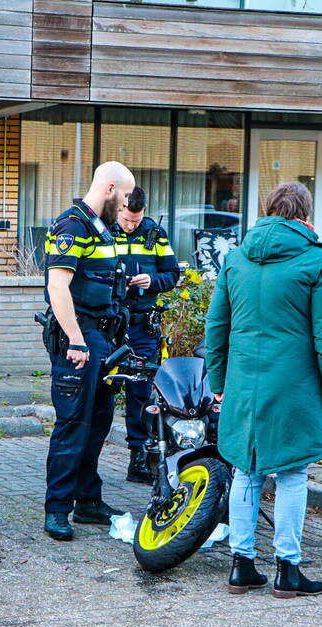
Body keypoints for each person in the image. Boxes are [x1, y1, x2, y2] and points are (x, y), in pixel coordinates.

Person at [205, 182, 322, 598]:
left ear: (269, 211)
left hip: (244, 384)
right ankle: (288, 568)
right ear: (306, 214)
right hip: (295, 385)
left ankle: (241, 565)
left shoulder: (236, 259)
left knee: (245, 470)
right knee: (291, 474)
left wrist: (219, 384)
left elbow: (217, 327)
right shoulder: (315, 261)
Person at [42, 161, 135, 541]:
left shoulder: (102, 228)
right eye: (126, 195)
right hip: (79, 340)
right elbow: (58, 288)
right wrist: (77, 341)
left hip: (103, 338)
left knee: (97, 423)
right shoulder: (72, 226)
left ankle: (87, 501)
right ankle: (57, 510)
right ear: (110, 187)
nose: (129, 203)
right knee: (72, 425)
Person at [113, 186, 180, 483]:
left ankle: (137, 459)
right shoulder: (103, 231)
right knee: (102, 391)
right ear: (118, 208)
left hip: (142, 326)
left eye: (136, 221)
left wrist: (152, 280)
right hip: (111, 324)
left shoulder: (155, 234)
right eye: (127, 220)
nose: (131, 226)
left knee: (140, 394)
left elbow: (172, 275)